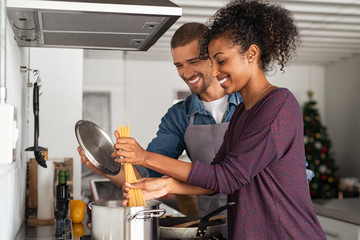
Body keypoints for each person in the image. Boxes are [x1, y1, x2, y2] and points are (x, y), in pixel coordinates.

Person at [116, 0, 326, 239]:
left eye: (222, 60)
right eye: (213, 63)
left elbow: (227, 178)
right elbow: (216, 175)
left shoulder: (279, 104)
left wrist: (144, 156)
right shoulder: (242, 114)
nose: (215, 72)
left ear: (252, 54)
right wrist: (167, 185)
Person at [78, 23, 242, 218]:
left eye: (194, 61)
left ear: (212, 58)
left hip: (255, 220)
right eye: (179, 65)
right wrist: (102, 166)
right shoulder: (179, 116)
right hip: (212, 222)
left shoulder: (248, 105)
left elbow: (230, 176)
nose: (187, 73)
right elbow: (143, 176)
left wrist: (146, 159)